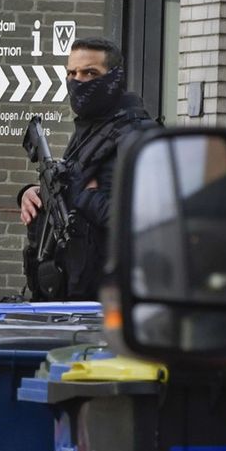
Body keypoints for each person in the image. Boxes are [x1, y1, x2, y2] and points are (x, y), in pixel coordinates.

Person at [17, 37, 159, 300]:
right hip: (68, 296)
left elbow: (147, 224)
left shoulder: (137, 136)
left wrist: (85, 196)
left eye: (90, 73)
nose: (78, 80)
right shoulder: (90, 131)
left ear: (115, 78)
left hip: (107, 304)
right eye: (72, 73)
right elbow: (70, 186)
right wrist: (33, 193)